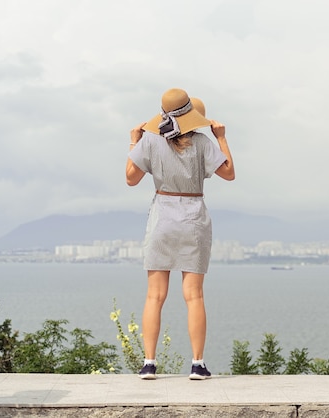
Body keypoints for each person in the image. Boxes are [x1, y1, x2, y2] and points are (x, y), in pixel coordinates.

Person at [126, 88, 235, 380]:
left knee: (154, 296)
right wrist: (222, 137)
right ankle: (198, 365)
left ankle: (149, 363)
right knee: (194, 296)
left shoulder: (150, 141)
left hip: (162, 215)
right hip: (193, 215)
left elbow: (130, 179)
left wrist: (133, 142)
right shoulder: (201, 142)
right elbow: (228, 173)